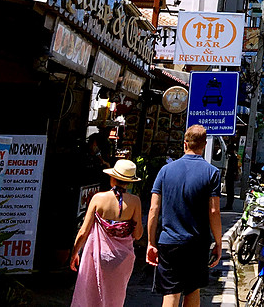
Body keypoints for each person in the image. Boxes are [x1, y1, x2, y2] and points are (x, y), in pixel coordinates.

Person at [147, 125, 223, 307]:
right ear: (204, 145)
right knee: (192, 290)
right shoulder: (212, 172)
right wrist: (218, 243)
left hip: (169, 241)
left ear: (184, 144)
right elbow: (214, 211)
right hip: (197, 243)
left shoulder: (165, 171)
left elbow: (153, 209)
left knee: (171, 292)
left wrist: (151, 242)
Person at [70, 158, 144, 307]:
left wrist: (74, 253)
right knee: (114, 299)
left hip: (98, 256)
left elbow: (83, 231)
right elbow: (137, 235)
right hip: (123, 260)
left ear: (112, 178)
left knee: (91, 295)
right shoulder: (135, 202)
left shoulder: (98, 198)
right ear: (129, 182)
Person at [224, 143, 239, 211]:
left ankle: (229, 205)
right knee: (229, 191)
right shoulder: (232, 157)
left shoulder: (233, 157)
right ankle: (228, 205)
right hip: (230, 175)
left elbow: (233, 168)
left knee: (230, 191)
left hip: (230, 176)